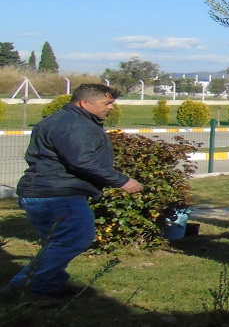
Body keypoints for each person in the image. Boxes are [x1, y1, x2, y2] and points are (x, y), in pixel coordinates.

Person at [2, 84, 143, 303]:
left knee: (60, 241)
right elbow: (82, 160)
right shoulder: (74, 125)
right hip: (58, 195)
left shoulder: (68, 120)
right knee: (73, 239)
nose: (112, 108)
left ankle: (49, 284)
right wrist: (122, 181)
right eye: (107, 103)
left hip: (48, 192)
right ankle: (26, 287)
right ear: (84, 102)